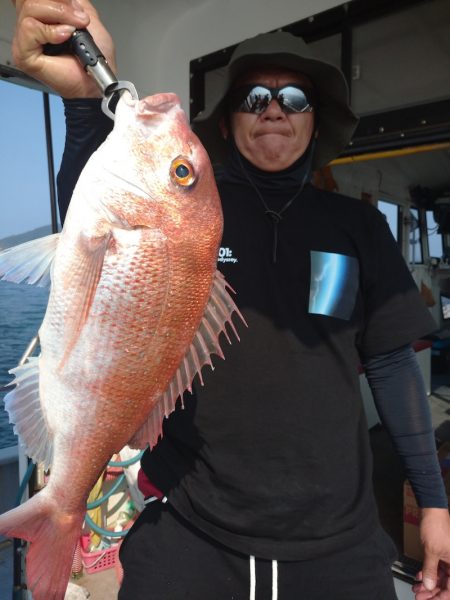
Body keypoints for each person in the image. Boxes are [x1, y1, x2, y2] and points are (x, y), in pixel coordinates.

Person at [11, 1, 450, 598]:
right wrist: (86, 100)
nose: (273, 110)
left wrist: (434, 502)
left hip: (340, 539)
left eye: (294, 98)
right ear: (227, 121)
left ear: (316, 120)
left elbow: (393, 364)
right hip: (191, 526)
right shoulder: (194, 219)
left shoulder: (360, 227)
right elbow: (91, 228)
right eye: (253, 98)